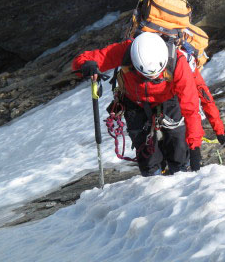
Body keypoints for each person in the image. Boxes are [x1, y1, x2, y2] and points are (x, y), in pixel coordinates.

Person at [72, 31, 203, 176]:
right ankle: (154, 183)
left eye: (156, 75)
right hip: (135, 102)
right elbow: (81, 61)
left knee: (178, 145)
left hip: (168, 99)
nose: (153, 78)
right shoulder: (125, 51)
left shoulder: (177, 61)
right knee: (148, 158)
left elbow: (191, 108)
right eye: (147, 75)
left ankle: (181, 172)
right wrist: (86, 66)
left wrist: (194, 147)